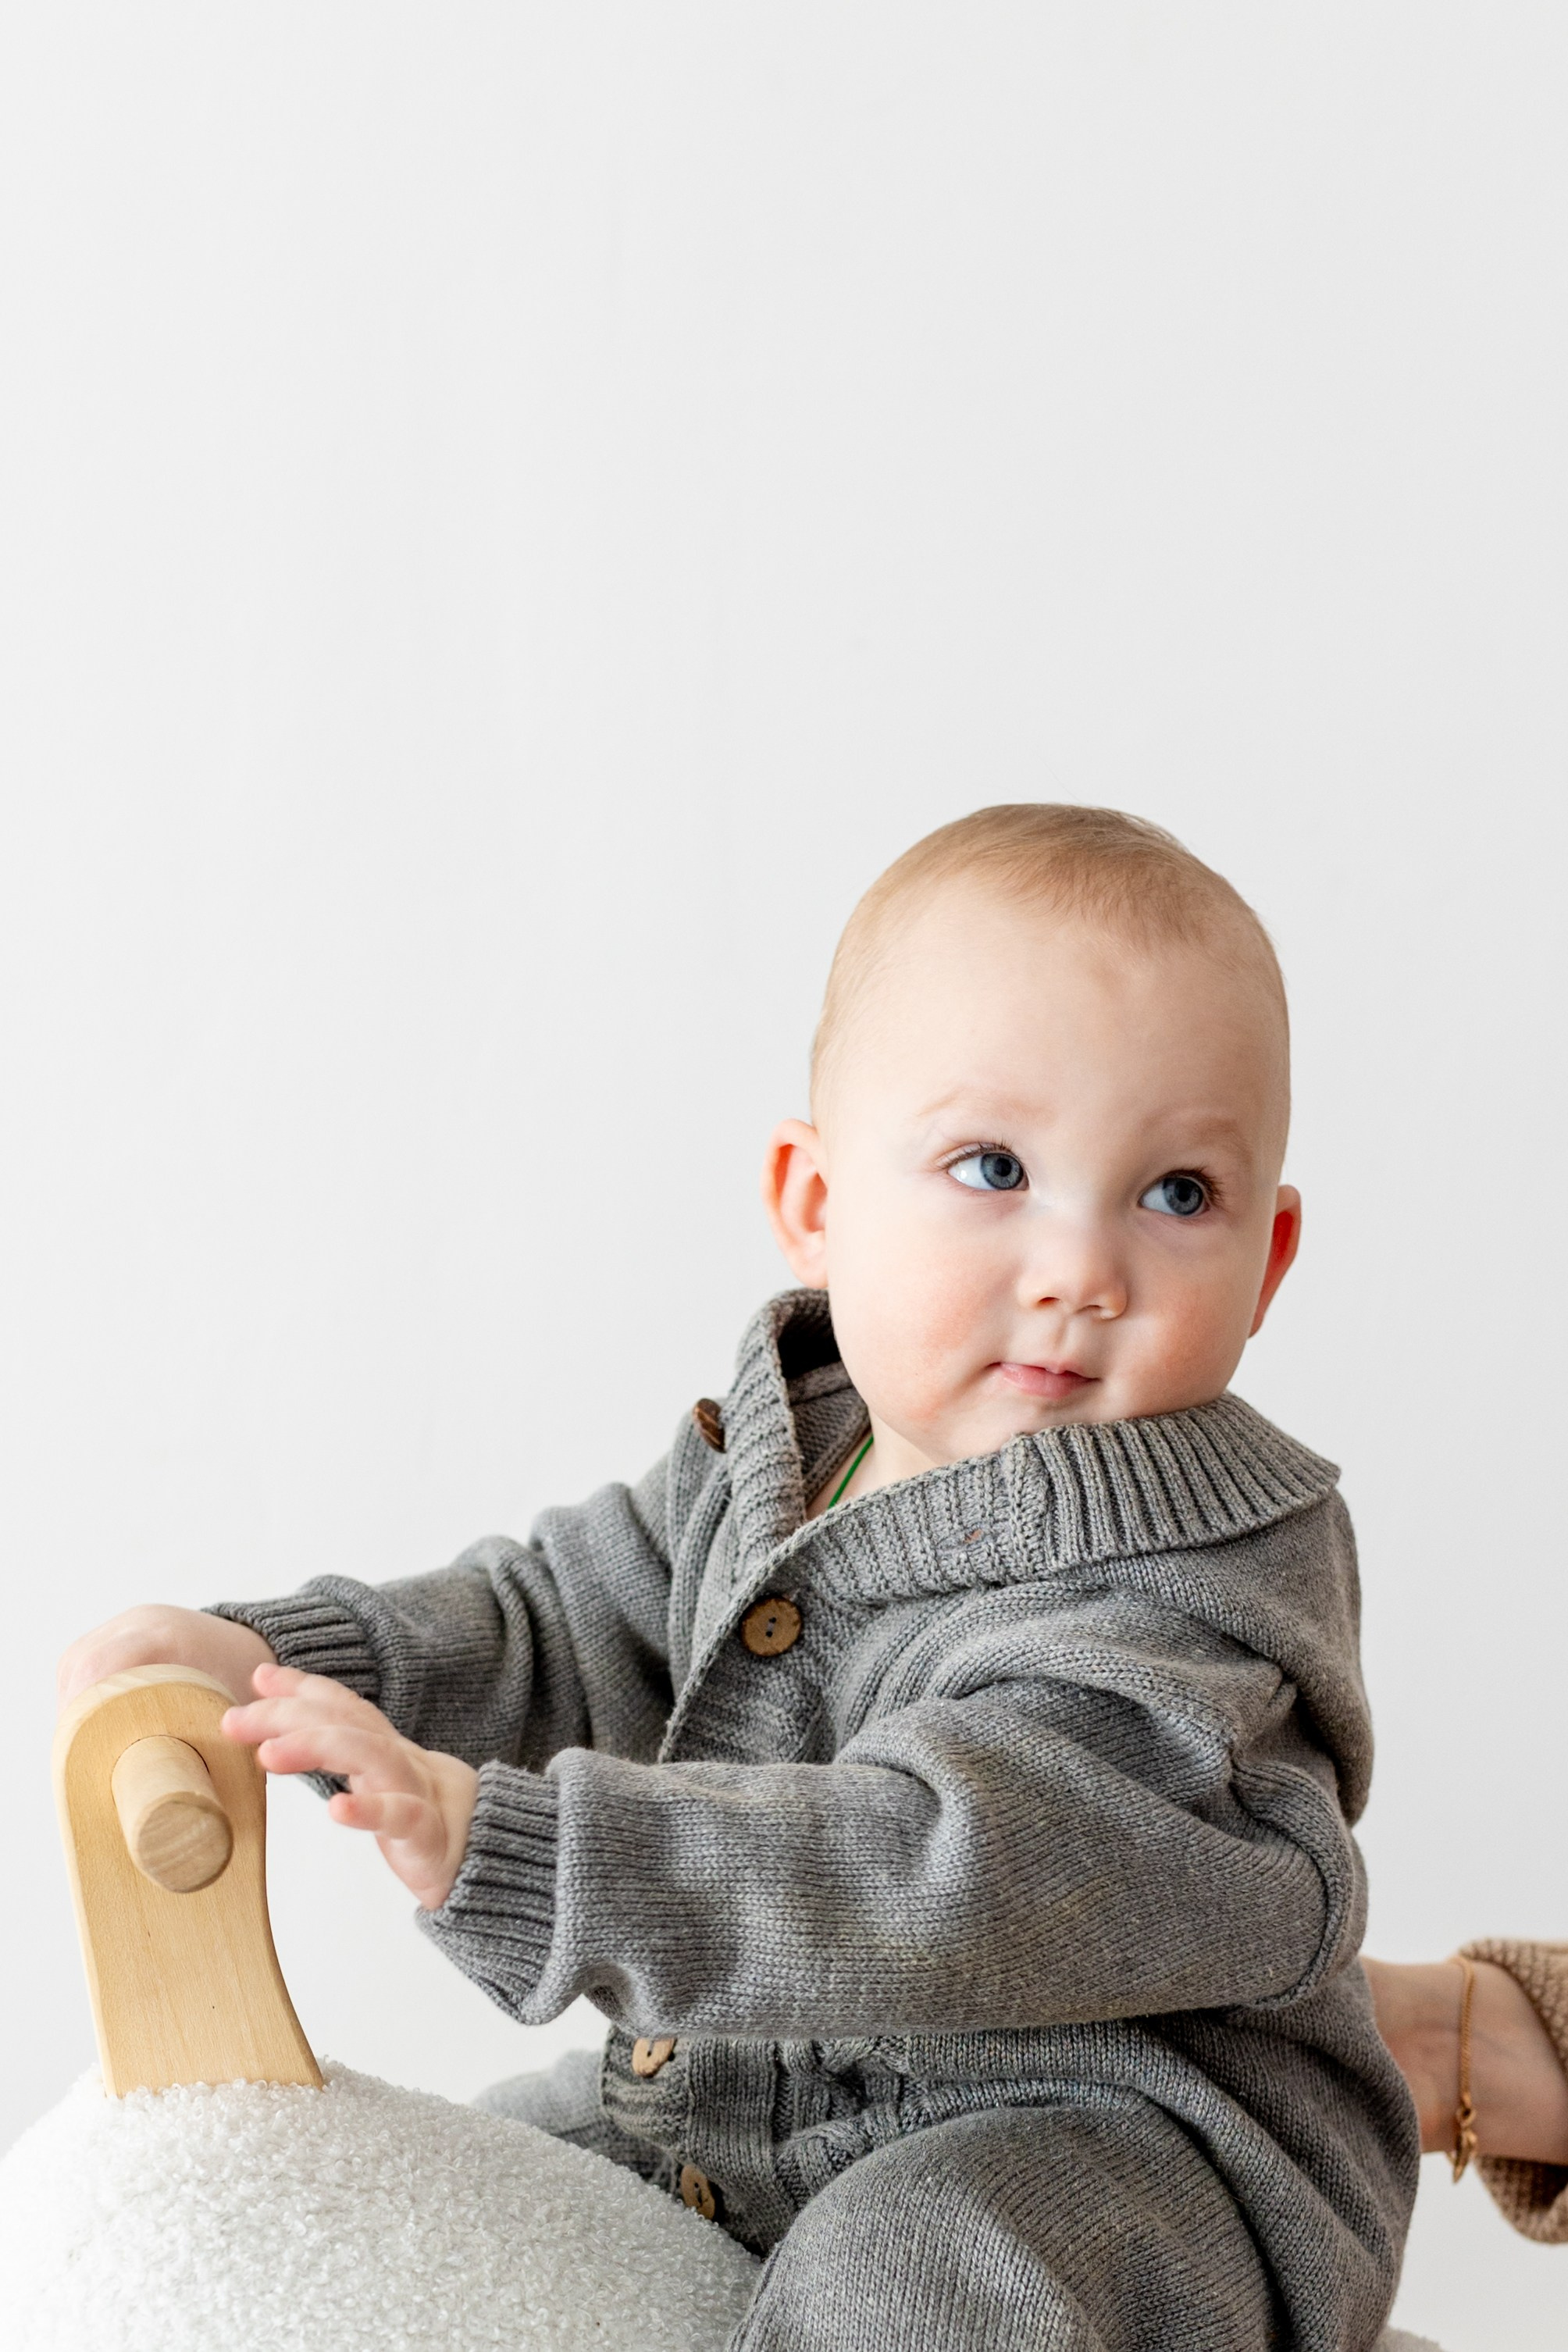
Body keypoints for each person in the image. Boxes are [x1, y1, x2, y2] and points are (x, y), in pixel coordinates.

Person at [58, 807, 1568, 2348]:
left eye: (1174, 1194)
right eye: (991, 1166)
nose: (1078, 1268)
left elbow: (934, 1865)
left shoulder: (1200, 1605)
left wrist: (517, 1849)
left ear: (1271, 1257)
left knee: (909, 2280)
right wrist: (270, 1659)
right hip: (752, 2106)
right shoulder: (786, 1446)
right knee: (450, 2185)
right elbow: (555, 1616)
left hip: (1128, 2142)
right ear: (815, 1203)